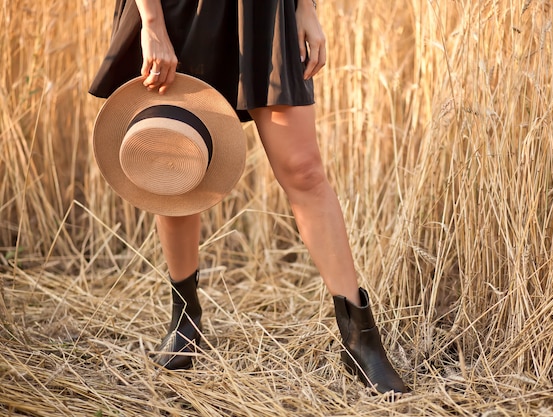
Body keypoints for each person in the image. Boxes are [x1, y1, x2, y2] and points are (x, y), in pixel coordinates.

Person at [89, 0, 408, 394]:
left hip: (265, 10)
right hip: (174, 11)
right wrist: (152, 23)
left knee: (304, 170)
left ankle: (361, 340)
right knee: (173, 157)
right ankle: (184, 321)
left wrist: (306, 9)